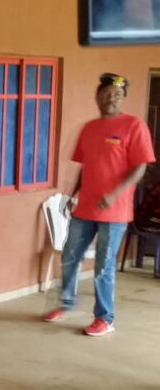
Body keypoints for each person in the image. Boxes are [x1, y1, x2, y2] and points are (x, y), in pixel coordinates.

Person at [44, 73, 155, 336]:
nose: (111, 99)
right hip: (85, 208)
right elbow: (85, 167)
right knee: (70, 256)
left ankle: (105, 318)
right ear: (97, 97)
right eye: (106, 94)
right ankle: (67, 303)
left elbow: (140, 168)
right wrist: (72, 195)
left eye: (117, 95)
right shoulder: (90, 129)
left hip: (115, 212)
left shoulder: (134, 126)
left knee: (104, 266)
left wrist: (114, 194)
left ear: (123, 99)